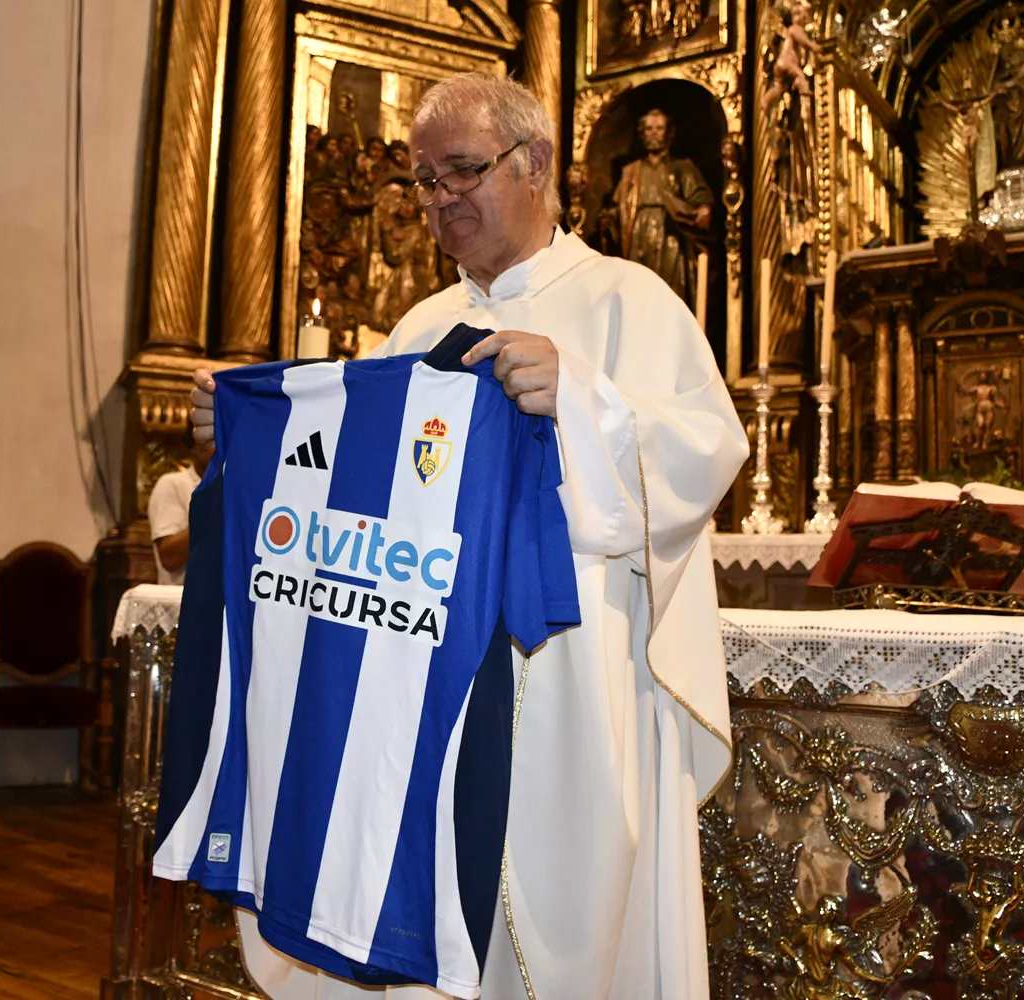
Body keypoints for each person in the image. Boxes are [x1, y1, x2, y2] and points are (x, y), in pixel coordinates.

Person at [189, 72, 748, 1000]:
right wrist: (251, 439)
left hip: (566, 679)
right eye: (423, 181)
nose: (439, 200)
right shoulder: (419, 325)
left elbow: (703, 455)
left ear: (534, 164)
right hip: (417, 683)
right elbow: (349, 506)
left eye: (459, 172)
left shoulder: (628, 300)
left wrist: (578, 396)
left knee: (558, 928)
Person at [604, 108, 714, 305]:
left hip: (670, 236)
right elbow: (618, 208)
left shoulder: (682, 167)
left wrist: (702, 211)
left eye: (659, 128)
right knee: (638, 294)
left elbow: (700, 197)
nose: (653, 133)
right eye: (649, 129)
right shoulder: (631, 171)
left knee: (670, 294)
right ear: (642, 134)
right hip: (638, 236)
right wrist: (609, 220)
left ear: (669, 133)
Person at [146, 424, 215, 585]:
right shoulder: (172, 484)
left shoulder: (240, 491)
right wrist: (218, 509)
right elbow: (170, 558)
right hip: (182, 601)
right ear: (193, 446)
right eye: (213, 440)